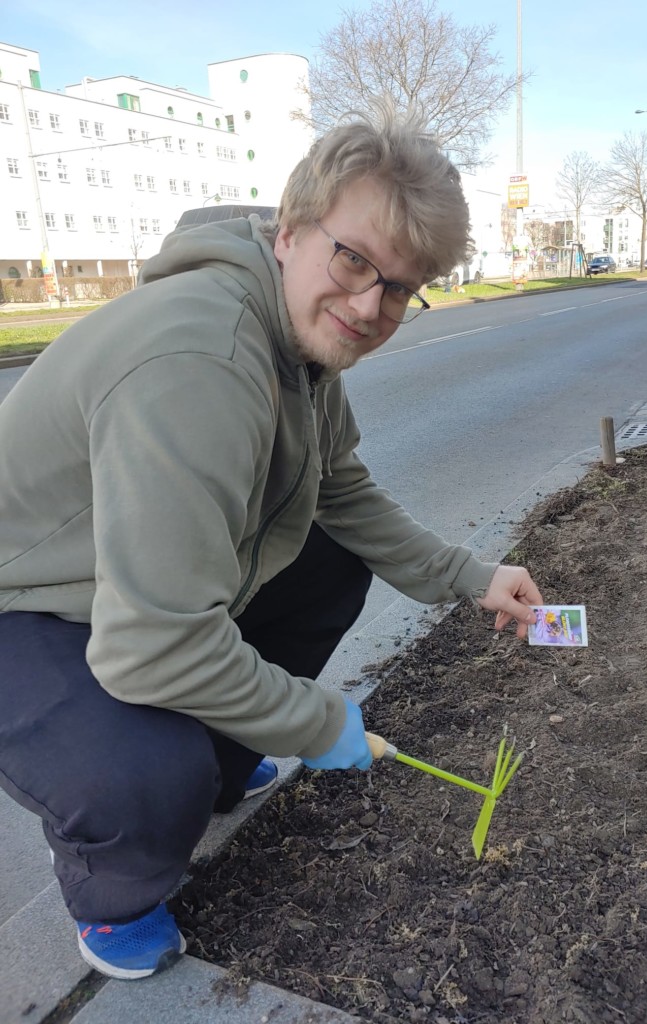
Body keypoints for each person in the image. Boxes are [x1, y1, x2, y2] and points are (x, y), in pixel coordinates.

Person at [0, 101, 542, 981]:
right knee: (146, 777)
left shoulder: (298, 343)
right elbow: (153, 648)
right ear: (289, 230)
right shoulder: (203, 361)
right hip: (24, 603)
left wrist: (469, 576)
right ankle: (116, 895)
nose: (371, 306)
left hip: (118, 587)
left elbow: (341, 492)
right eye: (354, 259)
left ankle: (213, 766)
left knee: (328, 561)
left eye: (401, 286)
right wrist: (319, 722)